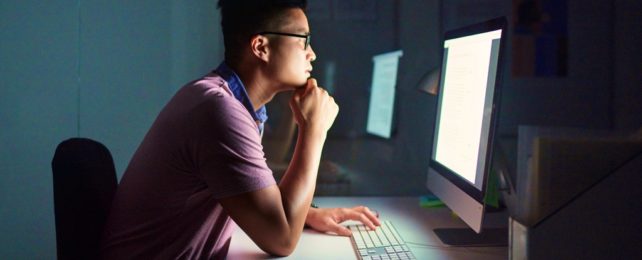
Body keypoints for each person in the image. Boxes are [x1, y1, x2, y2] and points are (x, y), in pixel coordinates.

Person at [101, 0, 380, 259]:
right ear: (261, 47)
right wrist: (314, 130)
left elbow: (259, 195)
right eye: (303, 39)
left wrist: (306, 214)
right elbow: (281, 241)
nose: (313, 53)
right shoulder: (218, 111)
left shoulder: (227, 101)